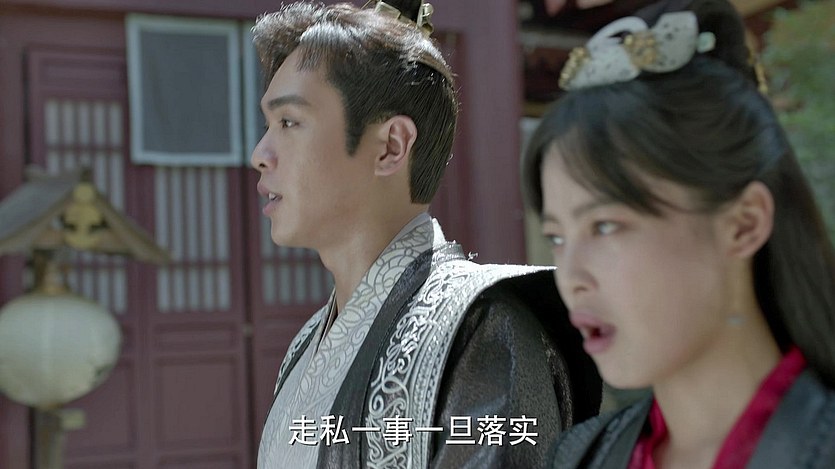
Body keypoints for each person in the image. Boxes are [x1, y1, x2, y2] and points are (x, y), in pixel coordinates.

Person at [250, 1, 601, 467]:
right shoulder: (306, 344)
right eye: (269, 125)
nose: (260, 154)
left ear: (390, 146)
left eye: (289, 122)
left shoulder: (481, 331)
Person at [521, 0, 835, 466]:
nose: (571, 278)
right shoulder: (579, 456)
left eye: (604, 226)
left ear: (743, 224)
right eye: (557, 238)